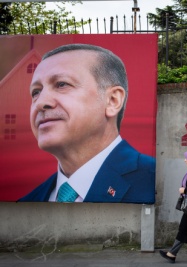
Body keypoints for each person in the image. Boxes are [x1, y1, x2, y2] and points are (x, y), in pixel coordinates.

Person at [19, 43, 155, 203]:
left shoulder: (154, 180)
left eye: (62, 84)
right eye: (36, 92)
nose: (41, 102)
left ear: (112, 100)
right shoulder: (28, 201)